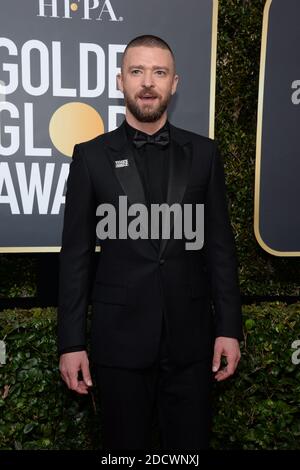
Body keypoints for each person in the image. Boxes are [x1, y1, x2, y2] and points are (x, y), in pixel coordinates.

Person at [58, 34, 242, 451]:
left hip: (192, 344)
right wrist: (71, 343)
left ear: (174, 84)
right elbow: (76, 258)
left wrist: (229, 328)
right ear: (120, 80)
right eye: (137, 71)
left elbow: (220, 249)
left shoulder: (204, 154)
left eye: (159, 72)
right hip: (117, 343)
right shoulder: (90, 156)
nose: (147, 82)